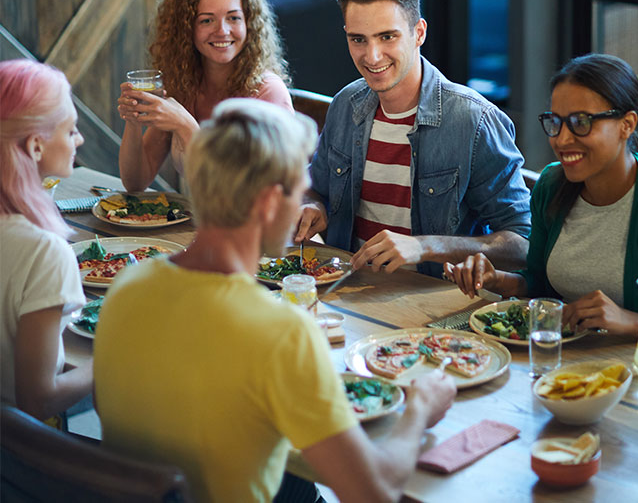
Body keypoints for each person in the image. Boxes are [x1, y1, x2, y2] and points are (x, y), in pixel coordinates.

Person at [94, 99, 456, 503]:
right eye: (298, 191)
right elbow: (375, 492)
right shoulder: (281, 333)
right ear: (268, 202)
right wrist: (419, 411)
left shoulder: (128, 284)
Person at [295, 0, 531, 279]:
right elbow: (315, 191)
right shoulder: (343, 106)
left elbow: (522, 243)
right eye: (358, 40)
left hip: (434, 303)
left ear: (419, 33)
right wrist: (312, 206)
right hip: (345, 292)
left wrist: (424, 246)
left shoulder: (474, 121)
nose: (372, 56)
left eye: (387, 37)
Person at [444, 53, 638, 337]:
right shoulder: (552, 183)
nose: (562, 139)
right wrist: (495, 279)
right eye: (556, 122)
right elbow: (539, 284)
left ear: (627, 124)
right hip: (562, 361)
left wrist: (628, 320)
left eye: (581, 122)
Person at [117, 0, 293, 191]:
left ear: (249, 23)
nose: (222, 30)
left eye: (233, 18)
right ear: (186, 29)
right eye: (206, 20)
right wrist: (133, 121)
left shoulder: (267, 92)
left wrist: (185, 125)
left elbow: (249, 195)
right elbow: (135, 182)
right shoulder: (183, 85)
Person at [0, 59, 93, 424]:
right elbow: (37, 401)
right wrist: (113, 359)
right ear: (36, 146)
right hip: (20, 464)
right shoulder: (44, 251)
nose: (79, 140)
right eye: (71, 131)